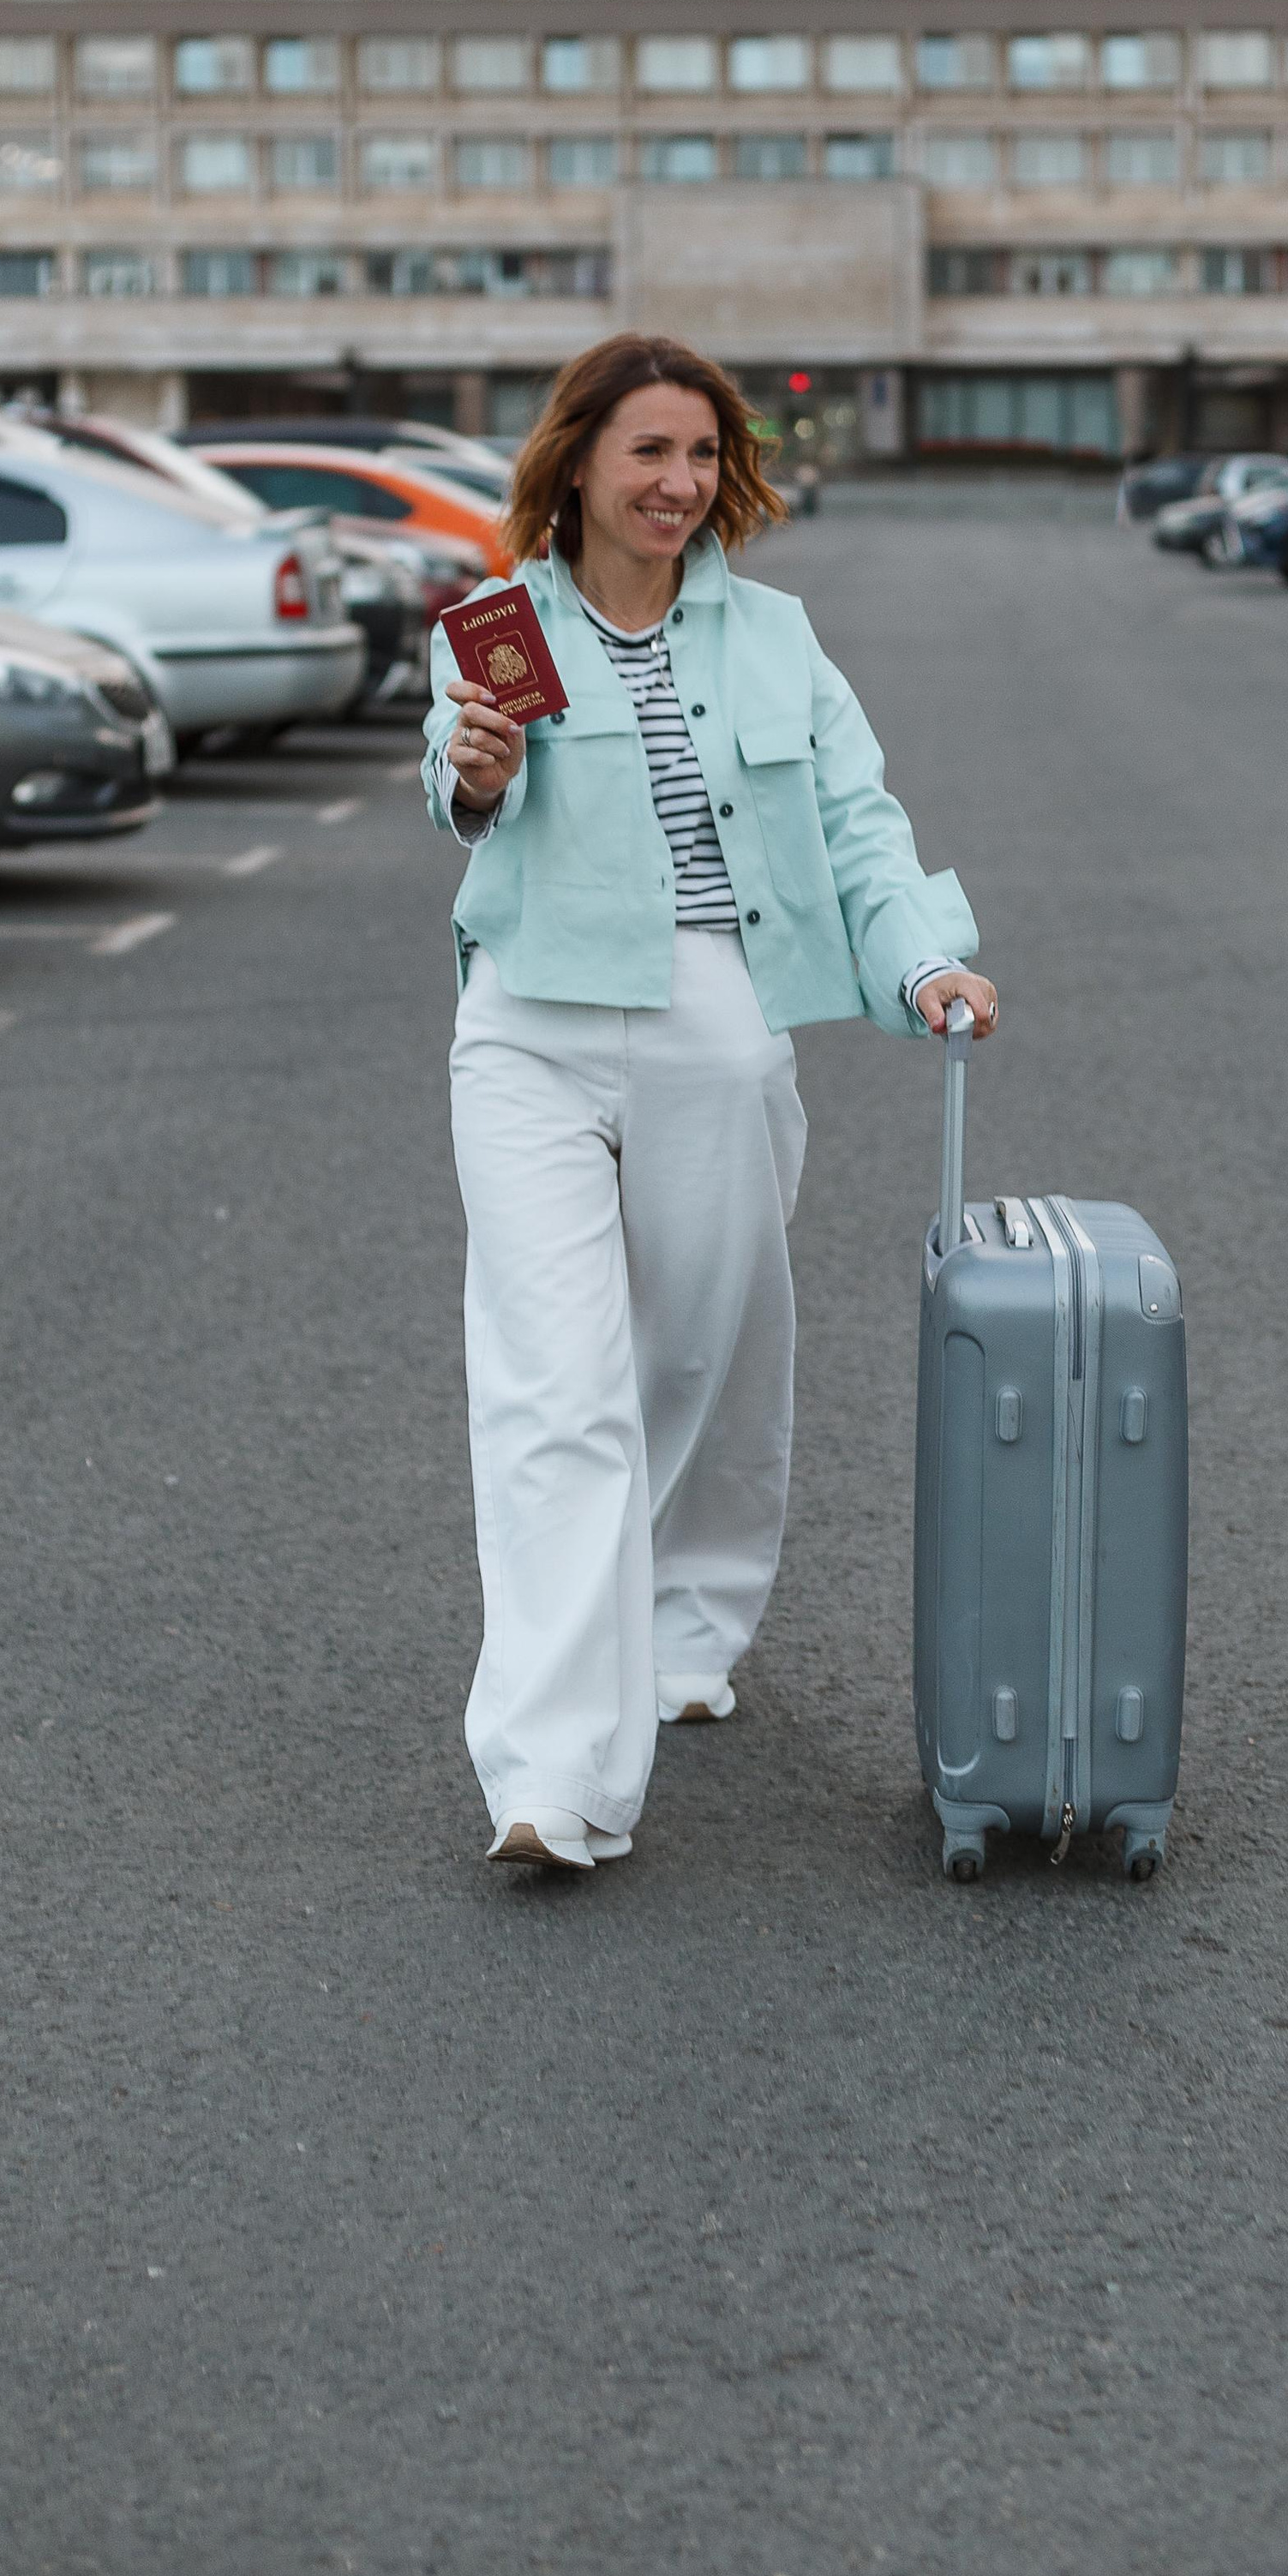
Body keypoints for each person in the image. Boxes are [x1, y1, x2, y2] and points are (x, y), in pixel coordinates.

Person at [422, 332, 997, 1874]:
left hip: (715, 1027)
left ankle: (686, 1625)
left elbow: (861, 825)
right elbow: (463, 793)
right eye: (648, 455)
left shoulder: (777, 641)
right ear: (580, 468)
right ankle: (553, 1779)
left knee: (703, 1356)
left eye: (701, 456)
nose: (678, 485)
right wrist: (478, 769)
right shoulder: (495, 625)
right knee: (559, 1397)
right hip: (528, 1029)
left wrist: (928, 959)